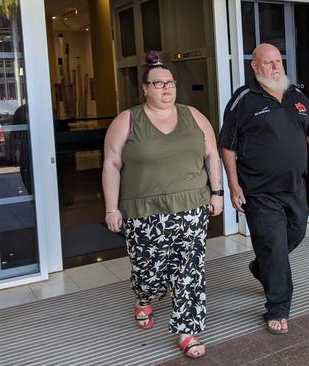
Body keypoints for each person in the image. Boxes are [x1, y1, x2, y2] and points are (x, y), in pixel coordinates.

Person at [102, 51, 223, 359]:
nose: (167, 89)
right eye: (158, 84)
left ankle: (188, 330)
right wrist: (111, 208)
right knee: (149, 271)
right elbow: (112, 164)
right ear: (144, 88)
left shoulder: (193, 115)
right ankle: (143, 296)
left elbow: (212, 155)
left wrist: (217, 191)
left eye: (170, 83)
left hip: (191, 205)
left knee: (190, 270)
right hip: (144, 211)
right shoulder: (127, 120)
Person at [219, 43, 309, 334]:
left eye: (278, 61)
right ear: (255, 68)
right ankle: (278, 307)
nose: (276, 67)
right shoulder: (243, 100)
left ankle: (262, 269)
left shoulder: (297, 95)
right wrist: (233, 186)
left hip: (294, 187)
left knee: (294, 234)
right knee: (274, 246)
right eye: (268, 63)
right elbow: (227, 147)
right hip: (259, 191)